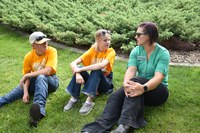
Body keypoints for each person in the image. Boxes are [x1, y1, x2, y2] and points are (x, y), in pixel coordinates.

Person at [81, 22, 170, 133]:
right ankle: (93, 129)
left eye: (138, 34)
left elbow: (158, 78)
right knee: (115, 97)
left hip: (157, 91)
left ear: (148, 36)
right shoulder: (136, 51)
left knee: (134, 81)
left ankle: (125, 126)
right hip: (138, 87)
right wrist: (126, 84)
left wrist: (143, 88)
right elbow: (131, 70)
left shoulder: (163, 53)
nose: (135, 37)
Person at [0, 31, 59, 127]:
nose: (46, 44)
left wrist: (28, 75)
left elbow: (48, 71)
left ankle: (38, 113)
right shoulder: (28, 57)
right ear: (34, 46)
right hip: (35, 80)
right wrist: (25, 92)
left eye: (46, 41)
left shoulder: (52, 51)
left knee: (41, 76)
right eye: (42, 43)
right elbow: (26, 77)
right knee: (12, 94)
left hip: (51, 81)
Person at [63, 29, 116, 115]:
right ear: (98, 40)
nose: (108, 42)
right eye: (105, 40)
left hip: (105, 84)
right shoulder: (92, 50)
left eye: (109, 40)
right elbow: (73, 63)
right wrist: (77, 74)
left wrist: (80, 70)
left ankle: (89, 102)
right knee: (79, 67)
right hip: (94, 81)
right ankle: (73, 99)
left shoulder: (111, 52)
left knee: (96, 69)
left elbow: (101, 65)